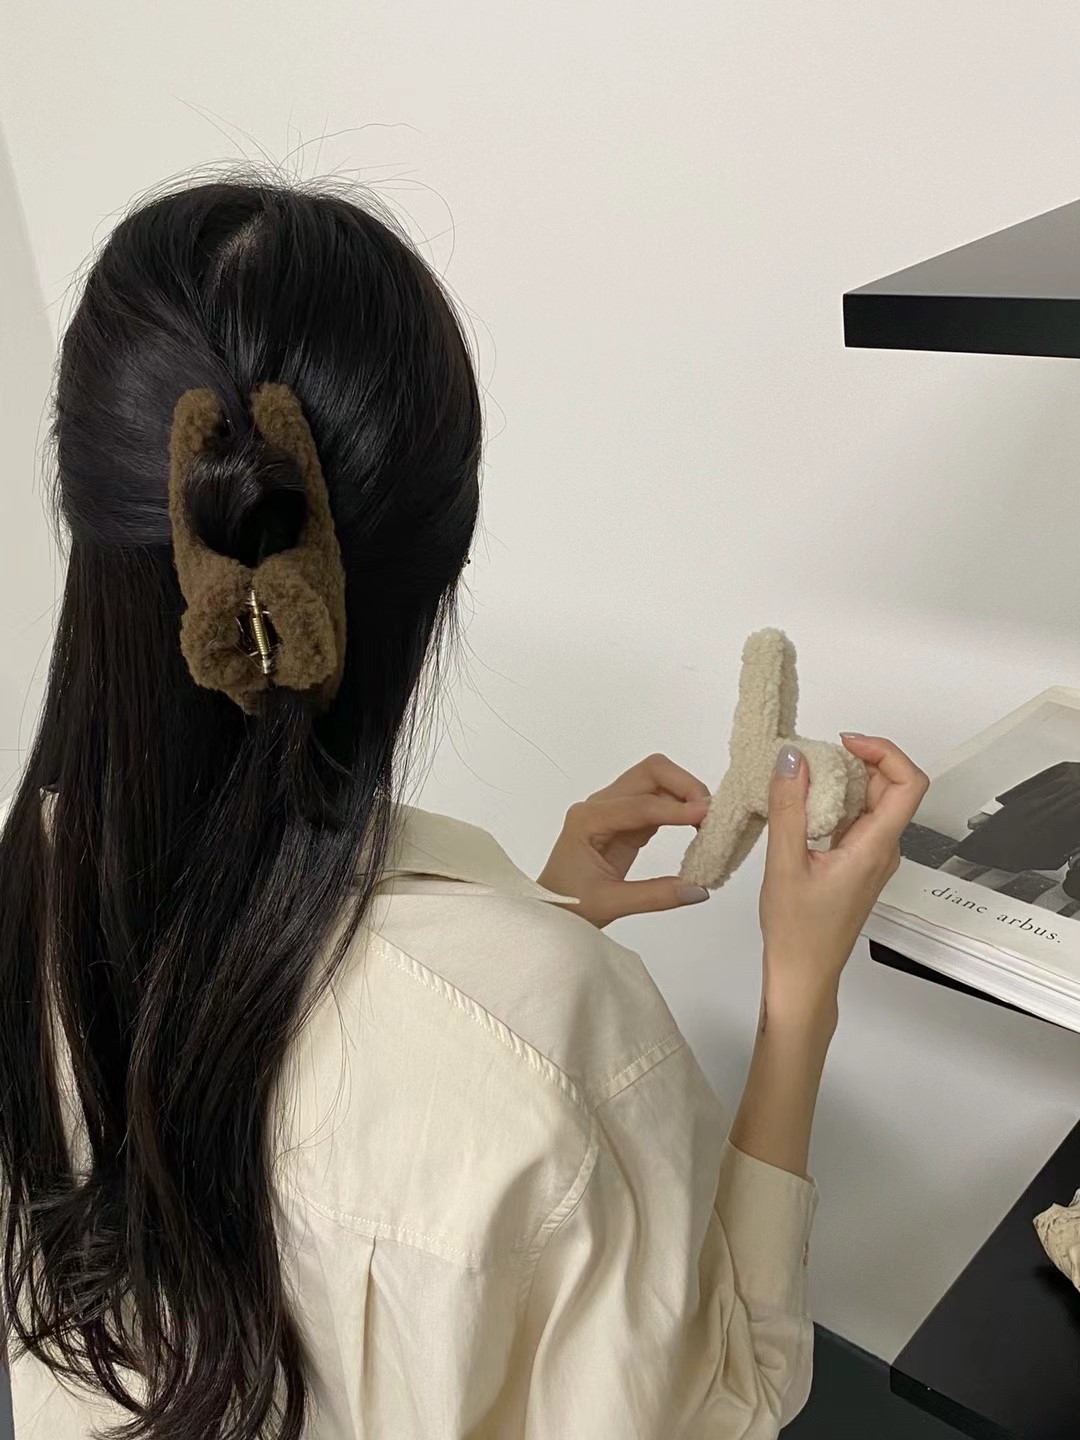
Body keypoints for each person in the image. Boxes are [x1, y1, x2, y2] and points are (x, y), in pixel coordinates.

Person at [0, 178, 928, 1440]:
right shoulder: (564, 1048)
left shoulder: (31, 895)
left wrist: (533, 926)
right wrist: (797, 996)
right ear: (443, 561)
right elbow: (726, 1404)